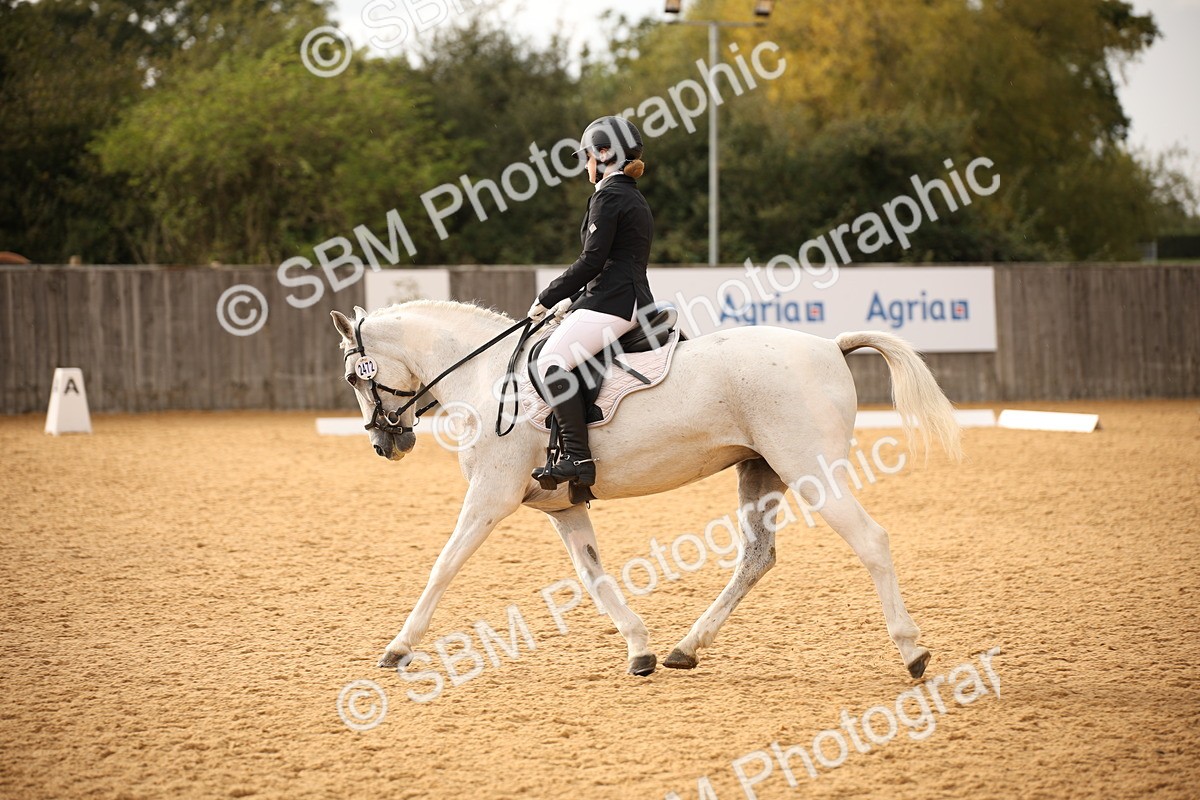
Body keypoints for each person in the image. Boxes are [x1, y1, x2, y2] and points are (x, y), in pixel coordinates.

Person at [527, 116, 656, 490]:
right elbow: (609, 263)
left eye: (588, 156)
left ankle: (578, 458)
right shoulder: (630, 194)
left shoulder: (610, 195)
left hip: (615, 302)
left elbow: (593, 260)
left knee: (551, 360)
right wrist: (573, 300)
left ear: (604, 154)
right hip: (616, 296)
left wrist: (547, 296)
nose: (586, 165)